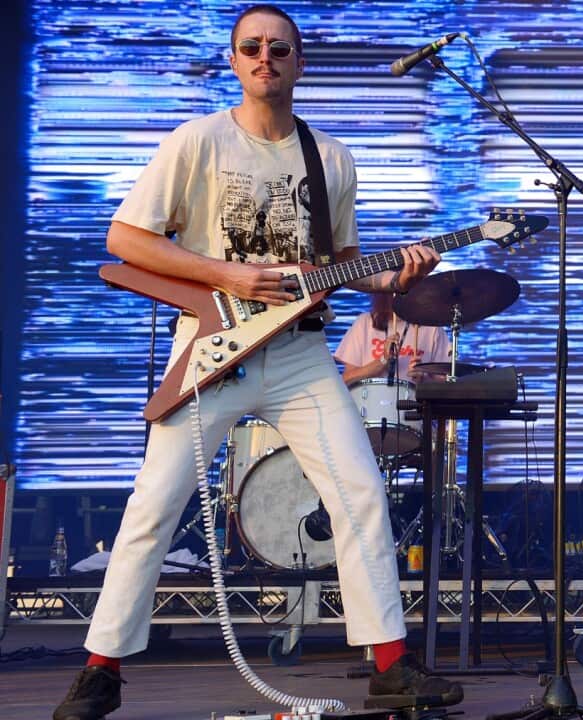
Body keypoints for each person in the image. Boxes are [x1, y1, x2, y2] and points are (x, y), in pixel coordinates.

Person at [53, 6, 463, 719]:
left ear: (299, 63)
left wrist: (394, 273)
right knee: (154, 504)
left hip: (300, 353)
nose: (265, 57)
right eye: (251, 47)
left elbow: (335, 264)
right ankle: (99, 672)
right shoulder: (199, 142)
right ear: (235, 61)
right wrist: (228, 275)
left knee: (361, 494)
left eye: (279, 47)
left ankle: (391, 665)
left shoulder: (329, 157)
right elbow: (125, 237)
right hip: (213, 345)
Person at [335, 291, 451, 384]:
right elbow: (346, 380)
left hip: (415, 408)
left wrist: (423, 378)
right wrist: (383, 360)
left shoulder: (431, 328)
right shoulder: (365, 322)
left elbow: (447, 384)